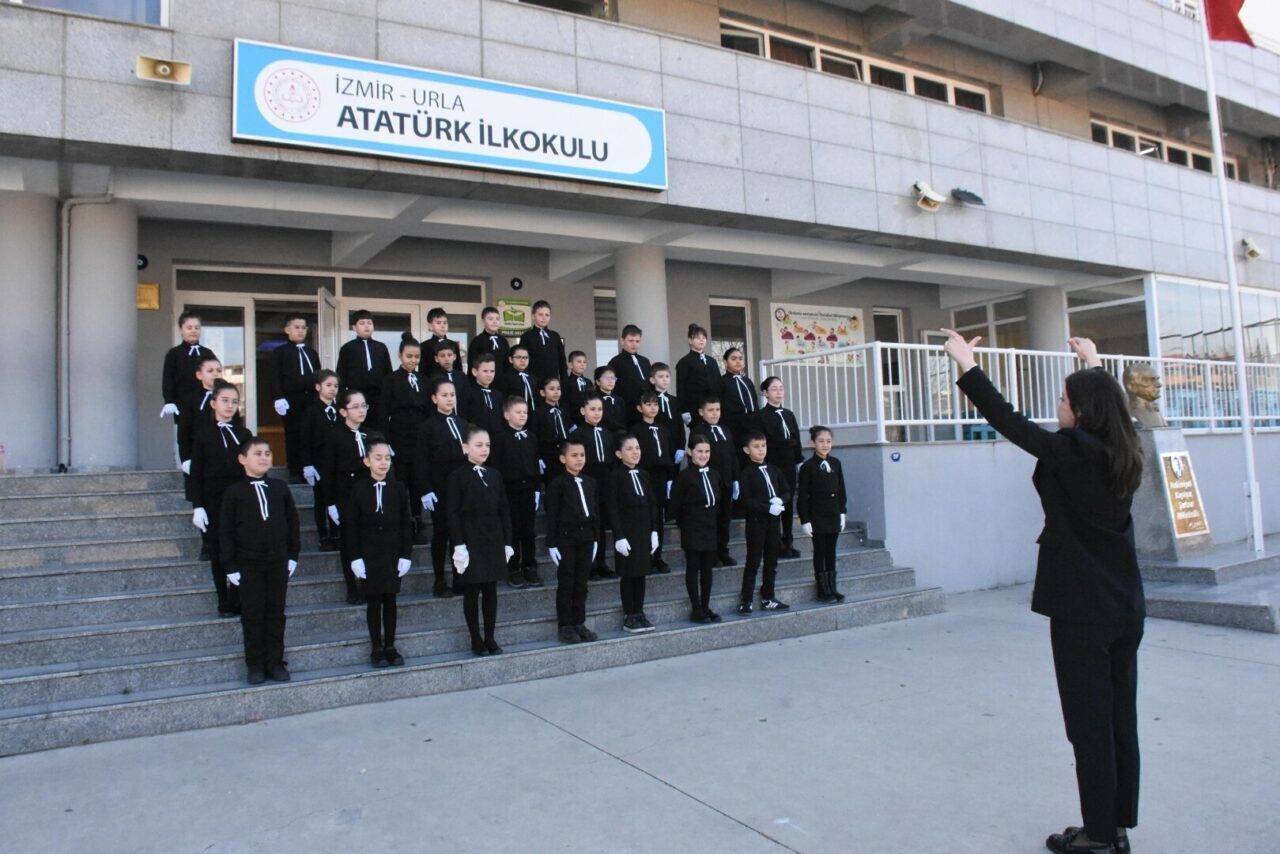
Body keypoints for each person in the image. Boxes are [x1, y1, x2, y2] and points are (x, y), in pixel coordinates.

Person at [942, 330, 1144, 854]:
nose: (1057, 406)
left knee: (1089, 725)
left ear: (1081, 411)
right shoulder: (1125, 445)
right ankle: (1115, 824)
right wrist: (1093, 364)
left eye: (1063, 400)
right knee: (1119, 718)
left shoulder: (1075, 451)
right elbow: (1113, 409)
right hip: (1124, 602)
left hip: (1082, 607)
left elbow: (1009, 421)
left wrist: (967, 366)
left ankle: (1098, 836)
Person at [220, 436, 299, 684]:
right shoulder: (234, 492)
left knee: (276, 613)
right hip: (248, 563)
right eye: (258, 453)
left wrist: (293, 555)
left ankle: (275, 662)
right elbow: (226, 531)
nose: (264, 457)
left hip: (277, 561)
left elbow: (292, 522)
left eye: (267, 453)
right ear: (242, 459)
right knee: (253, 615)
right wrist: (230, 565)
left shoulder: (280, 488)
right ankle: (255, 664)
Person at [347, 436, 413, 668]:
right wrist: (355, 557)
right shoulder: (358, 489)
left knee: (390, 599)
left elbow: (406, 523)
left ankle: (390, 645)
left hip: (392, 551)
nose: (383, 462)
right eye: (378, 458)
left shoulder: (398, 488)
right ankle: (376, 647)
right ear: (367, 461)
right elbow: (352, 526)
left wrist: (406, 554)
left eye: (387, 458)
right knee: (374, 601)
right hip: (369, 552)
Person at [448, 425, 514, 656]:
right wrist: (459, 545)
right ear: (465, 447)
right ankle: (476, 639)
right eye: (478, 445)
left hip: (493, 538)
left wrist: (507, 542)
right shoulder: (457, 476)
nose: (484, 449)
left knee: (491, 590)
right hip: (471, 538)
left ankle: (490, 637)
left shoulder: (494, 475)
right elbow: (453, 513)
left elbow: (504, 509)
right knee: (472, 590)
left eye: (487, 445)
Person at [188, 380, 250, 617]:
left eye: (234, 401)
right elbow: (197, 473)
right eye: (225, 400)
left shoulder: (243, 434)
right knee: (218, 550)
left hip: (240, 497)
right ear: (213, 403)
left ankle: (237, 597)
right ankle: (223, 600)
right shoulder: (203, 434)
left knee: (240, 546)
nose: (230, 405)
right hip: (214, 498)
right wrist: (198, 505)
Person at [413, 377, 469, 598]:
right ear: (434, 398)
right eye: (444, 395)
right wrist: (425, 489)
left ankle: (459, 576)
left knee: (460, 533)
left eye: (452, 395)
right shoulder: (428, 427)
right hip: (439, 487)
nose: (449, 399)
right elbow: (421, 460)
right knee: (442, 533)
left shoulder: (463, 423)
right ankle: (439, 580)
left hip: (461, 487)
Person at [545, 437, 599, 644]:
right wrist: (551, 543)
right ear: (563, 459)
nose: (579, 459)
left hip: (586, 537)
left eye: (582, 455)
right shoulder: (557, 484)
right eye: (574, 455)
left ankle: (579, 622)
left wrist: (595, 538)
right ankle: (565, 625)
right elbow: (552, 516)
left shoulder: (590, 482)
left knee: (582, 582)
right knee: (567, 582)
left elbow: (595, 512)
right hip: (566, 538)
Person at [320, 389, 371, 605]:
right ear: (343, 411)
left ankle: (368, 584)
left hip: (367, 495)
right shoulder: (334, 436)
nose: (361, 410)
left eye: (364, 406)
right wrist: (330, 503)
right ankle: (352, 586)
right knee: (349, 542)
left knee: (368, 540)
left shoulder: (370, 435)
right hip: (346, 496)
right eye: (356, 406)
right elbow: (328, 472)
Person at [380, 333, 430, 544]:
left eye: (416, 357)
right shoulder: (391, 380)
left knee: (418, 481)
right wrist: (386, 441)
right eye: (409, 356)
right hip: (399, 436)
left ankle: (418, 522)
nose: (413, 360)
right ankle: (403, 522)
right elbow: (383, 412)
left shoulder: (424, 380)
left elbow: (428, 410)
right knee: (402, 481)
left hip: (419, 437)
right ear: (400, 355)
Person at [668, 435, 723, 623]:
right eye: (699, 451)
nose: (703, 455)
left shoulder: (714, 474)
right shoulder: (684, 477)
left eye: (707, 451)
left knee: (707, 569)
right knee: (693, 568)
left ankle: (706, 606)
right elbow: (675, 505)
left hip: (710, 526)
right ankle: (696, 608)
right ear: (690, 452)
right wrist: (685, 523)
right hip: (692, 527)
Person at [606, 435, 658, 632]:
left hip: (644, 530)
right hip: (627, 532)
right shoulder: (615, 476)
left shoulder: (644, 474)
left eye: (637, 448)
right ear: (619, 454)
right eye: (629, 449)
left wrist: (654, 531)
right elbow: (612, 508)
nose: (635, 452)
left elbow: (652, 504)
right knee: (628, 574)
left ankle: (639, 612)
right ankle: (629, 614)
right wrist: (618, 536)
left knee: (641, 573)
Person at [737, 431, 790, 615]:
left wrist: (781, 500)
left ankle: (768, 596)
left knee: (771, 560)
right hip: (756, 523)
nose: (761, 450)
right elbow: (745, 500)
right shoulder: (747, 473)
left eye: (763, 446)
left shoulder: (774, 470)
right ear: (747, 450)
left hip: (774, 523)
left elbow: (786, 490)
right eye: (756, 446)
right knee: (753, 561)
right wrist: (766, 508)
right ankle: (746, 600)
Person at [492, 397, 542, 589]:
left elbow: (534, 464)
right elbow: (496, 466)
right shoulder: (500, 438)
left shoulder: (531, 437)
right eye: (518, 412)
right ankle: (513, 568)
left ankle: (530, 565)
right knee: (512, 530)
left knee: (528, 530)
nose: (523, 415)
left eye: (525, 412)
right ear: (506, 415)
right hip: (509, 490)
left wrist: (537, 489)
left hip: (528, 489)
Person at [797, 425, 847, 604]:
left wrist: (842, 512)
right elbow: (803, 496)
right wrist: (805, 520)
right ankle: (822, 590)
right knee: (820, 552)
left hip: (833, 513)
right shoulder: (808, 467)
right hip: (817, 515)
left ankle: (832, 587)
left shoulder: (836, 463)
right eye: (821, 441)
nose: (825, 445)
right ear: (813, 443)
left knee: (831, 551)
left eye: (828, 441)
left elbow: (841, 490)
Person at [268, 313, 319, 483]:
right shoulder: (280, 352)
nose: (301, 331)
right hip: (290, 399)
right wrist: (278, 397)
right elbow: (274, 377)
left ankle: (310, 466)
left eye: (303, 328)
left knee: (311, 433)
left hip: (311, 398)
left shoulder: (311, 353)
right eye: (297, 327)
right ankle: (294, 470)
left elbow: (318, 376)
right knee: (293, 434)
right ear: (287, 330)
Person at [755, 377, 802, 559]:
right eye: (774, 389)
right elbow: (762, 441)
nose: (779, 392)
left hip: (789, 464)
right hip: (773, 463)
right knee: (774, 501)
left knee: (788, 502)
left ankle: (788, 540)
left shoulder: (789, 414)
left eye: (781, 388)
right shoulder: (761, 416)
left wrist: (798, 460)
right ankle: (775, 543)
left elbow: (796, 438)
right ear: (765, 393)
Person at [631, 390, 675, 573]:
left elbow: (668, 454)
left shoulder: (663, 430)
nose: (652, 408)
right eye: (648, 404)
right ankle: (645, 556)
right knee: (645, 516)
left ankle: (658, 556)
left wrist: (670, 478)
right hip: (644, 475)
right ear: (639, 408)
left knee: (658, 516)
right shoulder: (636, 430)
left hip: (661, 477)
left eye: (655, 404)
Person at [299, 369, 341, 552]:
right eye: (328, 385)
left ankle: (336, 533)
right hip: (319, 462)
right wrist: (307, 464)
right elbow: (305, 440)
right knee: (321, 500)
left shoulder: (340, 411)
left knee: (336, 497)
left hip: (337, 463)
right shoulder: (311, 412)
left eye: (335, 386)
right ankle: (323, 535)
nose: (333, 389)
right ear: (318, 387)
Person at [575, 394, 616, 579]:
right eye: (592, 409)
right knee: (589, 523)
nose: (597, 413)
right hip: (587, 479)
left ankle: (601, 562)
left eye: (599, 409)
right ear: (583, 411)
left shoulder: (608, 434)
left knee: (601, 524)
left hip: (605, 481)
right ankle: (588, 565)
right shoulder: (578, 434)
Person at [694, 396, 738, 567]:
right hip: (709, 482)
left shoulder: (725, 429)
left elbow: (733, 455)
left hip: (726, 481)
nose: (715, 413)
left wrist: (735, 479)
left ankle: (723, 551)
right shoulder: (699, 431)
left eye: (717, 410)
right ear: (701, 412)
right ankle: (711, 555)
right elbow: (698, 457)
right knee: (710, 520)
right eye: (710, 410)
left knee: (724, 519)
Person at [160, 310, 217, 429]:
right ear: (181, 330)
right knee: (186, 436)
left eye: (197, 327)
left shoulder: (207, 353)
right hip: (183, 404)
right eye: (189, 327)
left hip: (205, 403)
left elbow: (216, 375)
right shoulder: (174, 353)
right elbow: (168, 378)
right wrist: (169, 400)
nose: (193, 331)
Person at [335, 309, 392, 427]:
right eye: (362, 323)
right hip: (356, 396)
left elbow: (388, 373)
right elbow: (341, 375)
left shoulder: (381, 347)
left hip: (378, 397)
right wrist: (342, 399)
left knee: (378, 428)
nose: (366, 326)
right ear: (354, 327)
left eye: (369, 323)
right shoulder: (347, 348)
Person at [675, 323, 720, 428]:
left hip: (713, 406)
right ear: (690, 340)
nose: (701, 340)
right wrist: (684, 410)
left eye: (704, 337)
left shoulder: (712, 361)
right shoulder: (684, 362)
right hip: (694, 408)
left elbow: (718, 384)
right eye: (697, 338)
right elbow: (681, 388)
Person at [517, 299, 567, 386]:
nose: (544, 318)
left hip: (552, 381)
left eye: (547, 315)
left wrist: (564, 380)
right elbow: (522, 360)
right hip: (533, 381)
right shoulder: (527, 336)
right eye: (540, 314)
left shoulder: (555, 336)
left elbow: (562, 360)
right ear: (533, 316)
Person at [607, 324, 652, 414]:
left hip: (645, 408)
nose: (634, 344)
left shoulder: (645, 361)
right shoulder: (615, 362)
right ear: (622, 341)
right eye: (630, 341)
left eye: (637, 341)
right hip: (625, 408)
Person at [533, 376, 570, 484]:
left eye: (558, 388)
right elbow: (535, 436)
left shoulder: (563, 412)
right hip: (547, 455)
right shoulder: (538, 413)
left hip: (563, 453)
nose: (556, 392)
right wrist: (538, 457)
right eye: (551, 389)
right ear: (542, 392)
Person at [461, 352, 507, 435]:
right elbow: (463, 417)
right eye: (485, 371)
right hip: (476, 437)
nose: (489, 375)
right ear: (475, 372)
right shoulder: (468, 393)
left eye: (492, 371)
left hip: (497, 438)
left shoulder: (498, 395)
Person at [719, 346, 758, 443]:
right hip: (733, 426)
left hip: (752, 424)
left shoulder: (747, 381)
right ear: (725, 362)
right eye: (733, 359)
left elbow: (754, 403)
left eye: (740, 358)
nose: (738, 361)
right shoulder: (721, 381)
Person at [649, 362, 687, 457]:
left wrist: (681, 447)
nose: (665, 379)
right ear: (652, 380)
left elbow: (680, 425)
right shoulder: (649, 400)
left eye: (667, 376)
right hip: (657, 445)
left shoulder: (674, 400)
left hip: (674, 446)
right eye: (661, 377)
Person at [468, 306, 510, 377]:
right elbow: (472, 365)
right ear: (483, 321)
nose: (495, 321)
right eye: (490, 319)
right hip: (483, 380)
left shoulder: (503, 341)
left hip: (502, 381)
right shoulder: (477, 341)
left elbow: (507, 363)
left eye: (497, 319)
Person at [502, 345, 538, 413]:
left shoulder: (533, 378)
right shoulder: (506, 378)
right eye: (518, 357)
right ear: (510, 359)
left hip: (533, 414)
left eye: (526, 357)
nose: (523, 360)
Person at [564, 350, 594, 419]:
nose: (582, 364)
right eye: (579, 362)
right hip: (572, 418)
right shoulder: (566, 382)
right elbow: (564, 404)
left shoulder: (588, 382)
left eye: (584, 362)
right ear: (570, 365)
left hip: (588, 418)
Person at [594, 366, 626, 432]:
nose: (610, 381)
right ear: (598, 382)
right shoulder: (594, 399)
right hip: (601, 432)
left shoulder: (619, 400)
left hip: (620, 433)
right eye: (606, 378)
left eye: (613, 378)